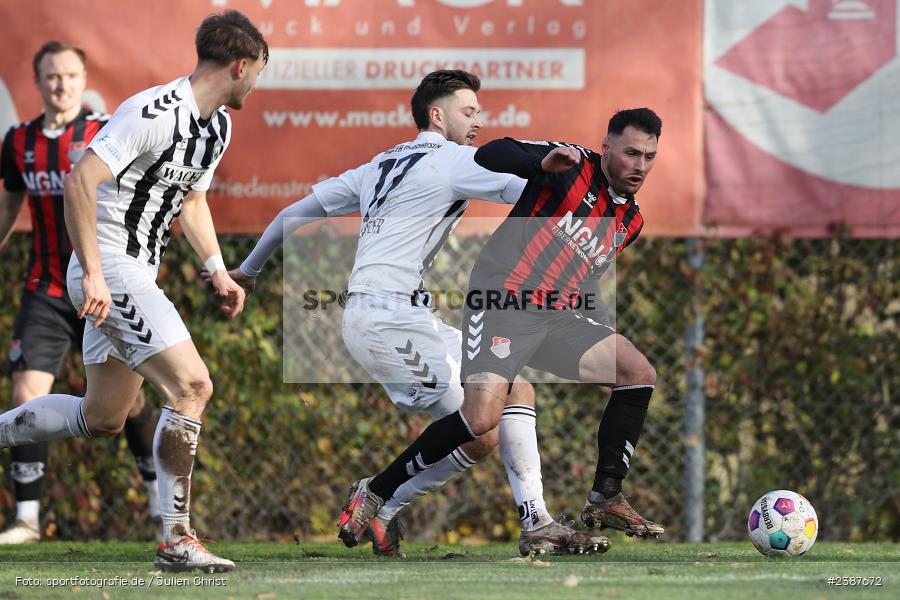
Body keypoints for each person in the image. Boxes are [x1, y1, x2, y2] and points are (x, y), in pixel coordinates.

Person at [230, 70, 608, 557]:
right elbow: (529, 194)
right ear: (437, 115)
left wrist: (249, 269)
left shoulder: (377, 165)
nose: (477, 122)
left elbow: (294, 212)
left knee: (516, 391)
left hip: (406, 317)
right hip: (386, 321)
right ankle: (382, 497)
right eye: (468, 111)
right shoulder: (454, 160)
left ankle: (532, 520)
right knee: (479, 429)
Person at [0, 10, 267, 572]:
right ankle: (176, 539)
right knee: (192, 385)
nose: (255, 84)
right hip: (112, 268)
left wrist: (217, 268)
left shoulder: (217, 125)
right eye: (257, 73)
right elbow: (81, 180)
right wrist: (95, 273)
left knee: (103, 418)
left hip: (133, 272)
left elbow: (191, 200)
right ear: (240, 66)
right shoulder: (152, 112)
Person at [343, 108, 667, 541]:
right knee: (480, 419)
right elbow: (492, 154)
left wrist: (605, 338)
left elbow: (588, 276)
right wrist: (540, 164)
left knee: (637, 374)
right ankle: (378, 491)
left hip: (555, 316)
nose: (640, 165)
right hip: (502, 302)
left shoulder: (632, 221)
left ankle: (605, 496)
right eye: (631, 153)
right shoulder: (570, 165)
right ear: (607, 147)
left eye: (649, 156)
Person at [0, 40, 160, 545]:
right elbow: (8, 208)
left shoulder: (102, 131)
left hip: (103, 284)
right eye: (51, 76)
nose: (61, 84)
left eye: (70, 75)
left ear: (83, 77)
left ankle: (161, 506)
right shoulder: (19, 141)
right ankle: (26, 519)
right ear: (38, 81)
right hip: (47, 289)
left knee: (127, 405)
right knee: (28, 393)